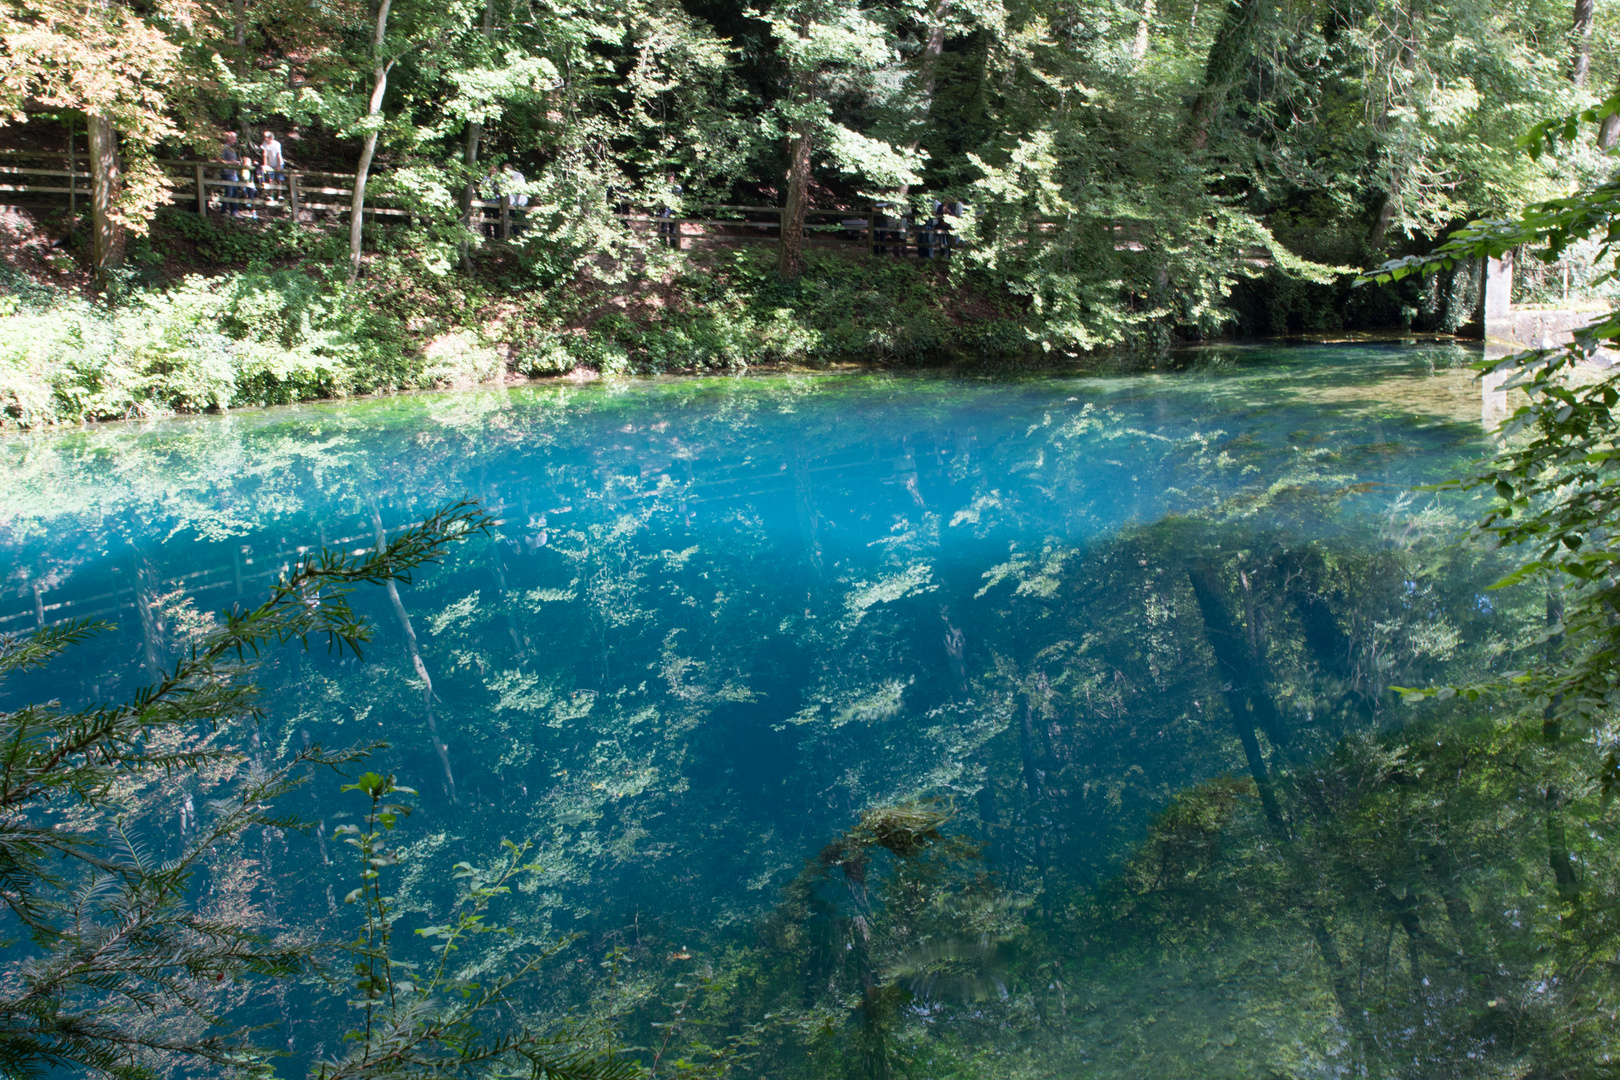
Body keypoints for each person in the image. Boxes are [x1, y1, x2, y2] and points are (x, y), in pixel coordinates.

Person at [259, 130, 285, 208]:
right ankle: (271, 195)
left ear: (270, 137)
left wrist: (279, 165)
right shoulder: (265, 143)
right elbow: (265, 155)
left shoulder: (277, 144)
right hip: (270, 164)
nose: (264, 138)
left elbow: (278, 155)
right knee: (271, 180)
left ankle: (280, 195)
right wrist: (265, 164)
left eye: (265, 137)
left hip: (278, 163)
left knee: (279, 179)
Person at [220, 131, 242, 216]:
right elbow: (220, 160)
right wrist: (231, 162)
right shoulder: (224, 148)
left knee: (235, 193)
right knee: (229, 192)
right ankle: (223, 211)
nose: (235, 140)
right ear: (228, 138)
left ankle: (234, 212)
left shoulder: (232, 149)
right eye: (233, 138)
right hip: (227, 173)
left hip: (234, 173)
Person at [656, 173, 681, 248]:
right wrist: (657, 212)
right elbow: (659, 200)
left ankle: (673, 245)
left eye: (672, 179)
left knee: (673, 229)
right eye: (669, 179)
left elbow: (678, 199)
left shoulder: (677, 188)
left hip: (673, 210)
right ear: (667, 179)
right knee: (664, 228)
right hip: (665, 210)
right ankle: (663, 245)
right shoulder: (663, 188)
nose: (671, 180)